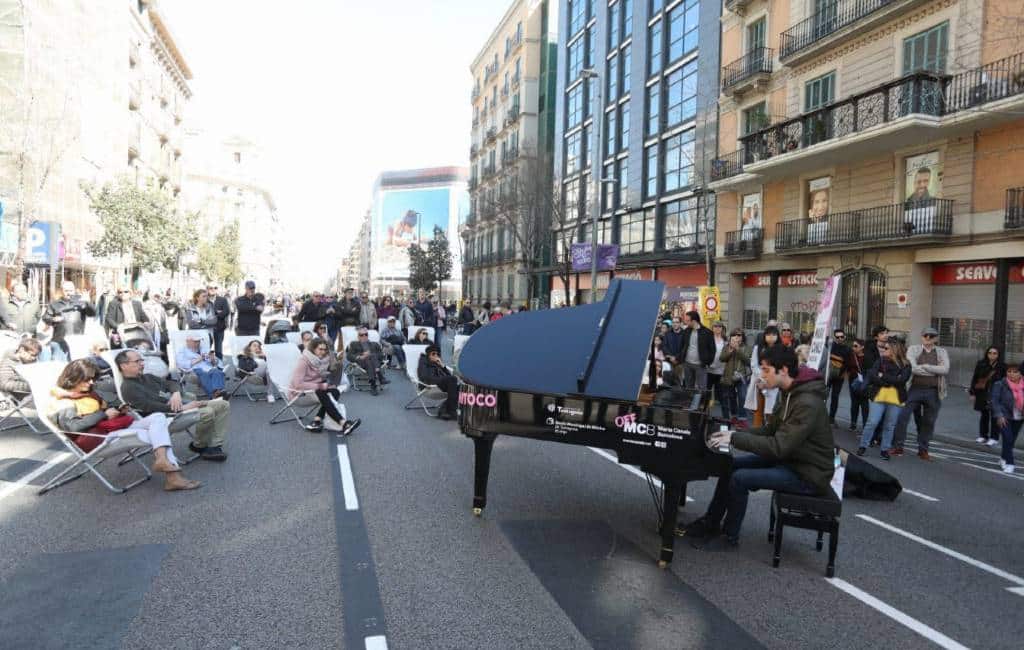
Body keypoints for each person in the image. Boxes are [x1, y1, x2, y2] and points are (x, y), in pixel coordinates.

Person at [682, 347, 835, 549]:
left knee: (740, 479)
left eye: (766, 370)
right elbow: (770, 430)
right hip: (792, 460)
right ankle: (710, 523)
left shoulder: (807, 403)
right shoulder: (790, 392)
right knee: (729, 465)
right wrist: (734, 433)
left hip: (808, 474)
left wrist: (735, 439)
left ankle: (729, 537)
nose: (762, 375)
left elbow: (779, 446)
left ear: (784, 370)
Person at [51, 359, 199, 491]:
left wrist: (118, 408)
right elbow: (72, 427)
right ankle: (173, 477)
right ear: (74, 377)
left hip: (113, 427)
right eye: (87, 379)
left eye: (93, 379)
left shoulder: (88, 392)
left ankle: (162, 460)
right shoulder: (63, 401)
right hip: (98, 437)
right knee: (156, 434)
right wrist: (104, 414)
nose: (91, 383)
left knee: (158, 418)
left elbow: (108, 404)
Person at [117, 349, 230, 462]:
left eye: (142, 360)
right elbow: (150, 407)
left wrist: (176, 393)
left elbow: (171, 383)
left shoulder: (148, 377)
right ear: (124, 366)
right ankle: (200, 446)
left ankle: (215, 446)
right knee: (207, 412)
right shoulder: (128, 388)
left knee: (223, 404)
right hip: (167, 418)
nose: (142, 363)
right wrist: (182, 408)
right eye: (137, 361)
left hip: (178, 409)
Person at [891, 326, 949, 461]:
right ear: (921, 337)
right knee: (902, 416)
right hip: (914, 389)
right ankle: (898, 446)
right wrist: (935, 370)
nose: (928, 338)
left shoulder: (942, 352)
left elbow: (945, 369)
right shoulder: (913, 349)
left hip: (933, 391)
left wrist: (926, 367)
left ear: (936, 338)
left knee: (929, 421)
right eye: (925, 335)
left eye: (931, 336)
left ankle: (923, 450)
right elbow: (913, 368)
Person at [290, 337, 360, 434]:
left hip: (313, 391)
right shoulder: (304, 361)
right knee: (322, 392)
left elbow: (326, 373)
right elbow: (297, 384)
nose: (323, 352)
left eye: (324, 349)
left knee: (335, 391)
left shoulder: (321, 360)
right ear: (313, 349)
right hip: (299, 395)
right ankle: (344, 423)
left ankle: (317, 420)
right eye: (320, 349)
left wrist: (327, 383)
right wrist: (320, 386)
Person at [856, 337, 912, 460]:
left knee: (889, 425)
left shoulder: (906, 364)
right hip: (879, 396)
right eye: (883, 347)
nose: (883, 350)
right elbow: (872, 375)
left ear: (894, 350)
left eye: (886, 348)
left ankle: (884, 450)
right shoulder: (880, 360)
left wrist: (883, 375)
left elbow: (901, 380)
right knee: (872, 422)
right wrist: (888, 381)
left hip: (896, 398)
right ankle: (863, 446)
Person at [43, 281, 96, 358]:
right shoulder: (54, 304)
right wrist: (53, 319)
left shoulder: (82, 303)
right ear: (62, 291)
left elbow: (93, 313)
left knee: (76, 363)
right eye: (66, 290)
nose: (69, 293)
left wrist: (88, 302)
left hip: (77, 340)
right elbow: (45, 317)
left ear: (74, 290)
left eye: (71, 290)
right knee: (59, 363)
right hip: (59, 340)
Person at [990, 362, 1024, 474]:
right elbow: (994, 401)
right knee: (1008, 438)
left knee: (1010, 440)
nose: (1011, 374)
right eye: (1009, 371)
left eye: (1015, 372)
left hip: (1019, 417)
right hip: (1004, 416)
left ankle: (1003, 458)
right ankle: (1010, 463)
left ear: (1020, 373)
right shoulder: (1000, 384)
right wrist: (999, 415)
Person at [745, 325, 781, 425]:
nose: (771, 337)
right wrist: (762, 377)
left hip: (773, 383)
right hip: (759, 381)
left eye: (774, 334)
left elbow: (780, 366)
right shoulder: (758, 348)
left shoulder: (780, 349)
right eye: (768, 334)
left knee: (771, 411)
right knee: (758, 410)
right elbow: (754, 364)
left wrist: (769, 378)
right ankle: (757, 430)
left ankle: (769, 430)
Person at [969, 346, 1005, 446]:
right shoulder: (981, 364)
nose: (992, 355)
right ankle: (983, 435)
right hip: (982, 393)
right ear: (987, 354)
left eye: (994, 353)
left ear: (998, 355)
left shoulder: (1002, 366)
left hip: (996, 394)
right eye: (990, 353)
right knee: (984, 415)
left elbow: (1005, 381)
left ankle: (994, 437)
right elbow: (975, 378)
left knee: (994, 416)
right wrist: (972, 393)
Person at [175, 334, 227, 399]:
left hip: (208, 368)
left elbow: (216, 362)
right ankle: (215, 395)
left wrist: (213, 360)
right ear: (188, 342)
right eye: (195, 341)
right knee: (203, 374)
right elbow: (181, 363)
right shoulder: (182, 350)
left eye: (199, 341)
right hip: (194, 369)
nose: (198, 343)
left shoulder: (204, 348)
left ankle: (218, 392)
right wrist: (198, 360)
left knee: (217, 372)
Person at [418, 343, 458, 420]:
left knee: (460, 388)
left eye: (437, 354)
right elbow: (423, 376)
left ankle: (443, 410)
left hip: (440, 384)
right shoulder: (423, 361)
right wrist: (441, 379)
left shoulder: (437, 363)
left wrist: (442, 366)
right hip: (429, 385)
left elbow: (449, 376)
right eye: (433, 354)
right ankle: (451, 411)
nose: (436, 356)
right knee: (453, 380)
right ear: (428, 355)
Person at [345, 326, 387, 395]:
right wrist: (360, 356)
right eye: (361, 335)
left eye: (366, 334)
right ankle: (380, 376)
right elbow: (349, 356)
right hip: (362, 363)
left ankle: (373, 385)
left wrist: (370, 354)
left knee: (370, 358)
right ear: (358, 337)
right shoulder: (354, 344)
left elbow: (381, 355)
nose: (364, 336)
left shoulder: (374, 344)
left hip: (372, 363)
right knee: (368, 358)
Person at [719, 329, 749, 424]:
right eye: (734, 335)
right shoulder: (727, 346)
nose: (736, 337)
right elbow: (722, 358)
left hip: (741, 376)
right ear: (731, 337)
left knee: (742, 396)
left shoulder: (746, 347)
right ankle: (734, 416)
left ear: (742, 337)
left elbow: (748, 361)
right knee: (731, 397)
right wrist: (730, 351)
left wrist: (738, 349)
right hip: (729, 376)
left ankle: (742, 418)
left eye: (739, 335)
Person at [680, 311, 715, 390]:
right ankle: (690, 398)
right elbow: (682, 345)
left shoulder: (707, 332)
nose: (686, 322)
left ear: (694, 321)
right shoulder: (686, 331)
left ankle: (701, 399)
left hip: (700, 365)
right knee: (688, 387)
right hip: (687, 363)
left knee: (702, 388)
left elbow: (712, 349)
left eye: (687, 321)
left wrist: (707, 362)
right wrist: (682, 358)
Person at [825, 329, 850, 425]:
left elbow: (847, 364)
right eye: (838, 337)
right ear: (834, 338)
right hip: (828, 375)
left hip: (839, 377)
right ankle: (822, 416)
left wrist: (843, 374)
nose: (840, 338)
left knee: (835, 397)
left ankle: (831, 418)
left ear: (845, 337)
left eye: (842, 336)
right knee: (824, 395)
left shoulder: (847, 349)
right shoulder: (830, 346)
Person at [847, 338, 870, 431]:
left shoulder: (867, 357)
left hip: (864, 382)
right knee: (854, 403)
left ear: (862, 347)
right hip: (853, 382)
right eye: (853, 346)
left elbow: (870, 371)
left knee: (864, 404)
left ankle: (865, 425)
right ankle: (853, 423)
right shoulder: (851, 356)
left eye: (856, 346)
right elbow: (847, 366)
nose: (853, 348)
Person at [707, 322, 728, 415]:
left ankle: (725, 417)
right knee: (707, 394)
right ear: (712, 328)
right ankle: (705, 415)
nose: (717, 328)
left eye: (719, 326)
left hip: (720, 371)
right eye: (715, 326)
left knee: (722, 395)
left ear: (722, 328)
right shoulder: (709, 339)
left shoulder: (725, 340)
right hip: (709, 370)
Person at [206, 285, 231, 359]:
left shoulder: (223, 300)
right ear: (207, 289)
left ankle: (219, 365)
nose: (213, 289)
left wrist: (214, 315)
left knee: (218, 351)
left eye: (215, 288)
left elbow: (226, 311)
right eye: (211, 288)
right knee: (206, 349)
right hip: (207, 329)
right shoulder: (204, 299)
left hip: (219, 328)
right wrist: (217, 312)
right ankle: (206, 365)